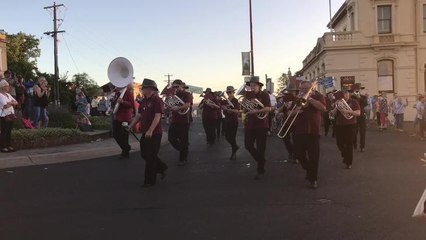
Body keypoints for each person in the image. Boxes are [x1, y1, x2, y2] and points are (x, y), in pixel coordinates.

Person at [128, 79, 167, 187]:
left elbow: (157, 116)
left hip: (155, 133)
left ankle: (149, 181)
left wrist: (151, 130)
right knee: (144, 154)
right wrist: (131, 126)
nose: (141, 90)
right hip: (145, 132)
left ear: (150, 89)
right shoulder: (143, 101)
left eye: (143, 88)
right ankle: (161, 167)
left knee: (150, 157)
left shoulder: (157, 100)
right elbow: (139, 115)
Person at [292, 80, 326, 188]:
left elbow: (322, 108)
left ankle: (313, 179)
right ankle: (309, 170)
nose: (302, 91)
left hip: (313, 130)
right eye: (301, 89)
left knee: (314, 156)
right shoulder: (297, 98)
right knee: (298, 154)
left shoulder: (318, 96)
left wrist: (309, 98)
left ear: (311, 88)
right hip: (299, 130)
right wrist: (295, 111)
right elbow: (289, 112)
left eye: (305, 89)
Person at [242, 76, 272, 180]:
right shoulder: (248, 95)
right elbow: (245, 110)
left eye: (254, 85)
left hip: (261, 125)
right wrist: (245, 106)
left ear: (259, 86)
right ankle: (261, 160)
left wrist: (256, 111)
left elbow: (268, 108)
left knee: (261, 148)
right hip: (250, 124)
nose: (252, 87)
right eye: (251, 85)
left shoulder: (264, 94)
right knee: (248, 145)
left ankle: (260, 170)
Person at [331, 88, 360, 169]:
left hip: (351, 125)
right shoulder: (337, 102)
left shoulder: (353, 102)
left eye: (346, 93)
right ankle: (345, 155)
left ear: (348, 94)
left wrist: (348, 112)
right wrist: (336, 107)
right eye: (343, 94)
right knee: (339, 143)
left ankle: (349, 162)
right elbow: (332, 115)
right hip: (339, 125)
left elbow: (358, 113)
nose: (345, 95)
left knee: (349, 143)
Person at [168, 79, 193, 166]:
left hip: (184, 120)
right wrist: (169, 105)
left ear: (181, 86)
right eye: (173, 87)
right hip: (175, 120)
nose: (175, 88)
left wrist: (177, 108)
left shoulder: (187, 94)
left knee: (183, 140)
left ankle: (183, 158)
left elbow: (187, 105)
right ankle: (183, 150)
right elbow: (170, 105)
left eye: (177, 87)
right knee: (171, 138)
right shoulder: (174, 95)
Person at [111, 83, 134, 158]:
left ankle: (125, 152)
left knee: (124, 136)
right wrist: (113, 98)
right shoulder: (117, 93)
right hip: (117, 117)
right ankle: (126, 147)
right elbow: (113, 104)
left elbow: (131, 104)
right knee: (115, 134)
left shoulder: (128, 92)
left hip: (125, 117)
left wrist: (123, 102)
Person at [220, 86, 241, 160]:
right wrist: (224, 109)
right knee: (227, 137)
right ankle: (235, 147)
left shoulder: (235, 101)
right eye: (227, 92)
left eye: (230, 92)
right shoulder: (226, 100)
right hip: (227, 120)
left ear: (233, 92)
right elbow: (225, 111)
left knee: (232, 137)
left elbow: (237, 111)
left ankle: (233, 153)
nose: (228, 93)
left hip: (234, 121)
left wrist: (229, 110)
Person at [0, 80, 18, 152]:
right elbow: (5, 106)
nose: (8, 87)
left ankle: (8, 145)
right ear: (3, 87)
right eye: (7, 86)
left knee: (9, 132)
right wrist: (12, 103)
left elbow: (16, 102)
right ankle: (3, 147)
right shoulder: (0, 95)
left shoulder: (8, 95)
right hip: (4, 116)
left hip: (10, 115)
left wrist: (10, 103)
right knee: (4, 131)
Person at [352, 83, 368, 152]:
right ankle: (354, 144)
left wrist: (359, 97)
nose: (357, 91)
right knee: (354, 132)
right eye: (356, 90)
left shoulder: (363, 97)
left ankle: (362, 146)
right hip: (354, 116)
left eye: (359, 90)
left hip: (362, 116)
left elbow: (365, 104)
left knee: (362, 132)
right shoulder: (351, 97)